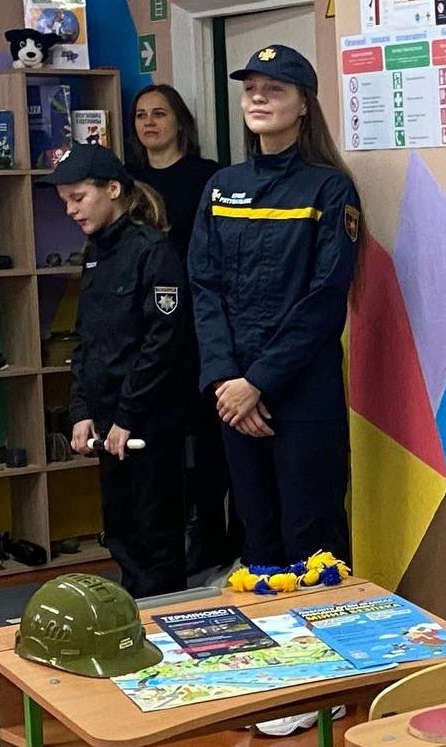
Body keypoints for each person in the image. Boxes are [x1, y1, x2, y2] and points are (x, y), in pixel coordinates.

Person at [188, 45, 360, 570]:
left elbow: (325, 297)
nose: (258, 98)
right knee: (257, 539)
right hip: (234, 400)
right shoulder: (222, 187)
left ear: (304, 104)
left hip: (301, 394)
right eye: (250, 90)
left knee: (313, 541)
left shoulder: (329, 188)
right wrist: (226, 382)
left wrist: (258, 382)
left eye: (274, 89)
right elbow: (204, 288)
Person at [49, 144, 189, 598]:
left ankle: (161, 622)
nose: (71, 210)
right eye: (65, 201)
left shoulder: (153, 250)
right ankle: (134, 622)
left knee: (155, 537)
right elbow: (88, 341)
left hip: (146, 419)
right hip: (108, 419)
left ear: (113, 189)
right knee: (121, 533)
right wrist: (81, 411)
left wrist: (128, 414)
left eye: (78, 198)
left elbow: (162, 343)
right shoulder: (94, 252)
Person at [127, 83, 241, 573]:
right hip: (147, 328)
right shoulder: (126, 181)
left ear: (180, 122)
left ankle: (218, 536)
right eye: (140, 115)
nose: (149, 123)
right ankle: (168, 543)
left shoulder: (208, 176)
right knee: (160, 441)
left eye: (159, 113)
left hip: (201, 323)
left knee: (213, 438)